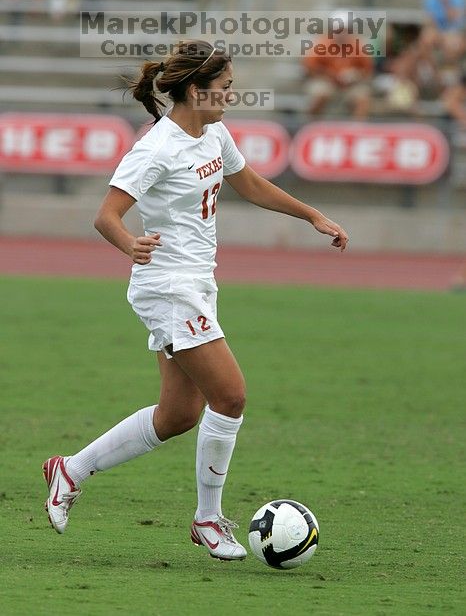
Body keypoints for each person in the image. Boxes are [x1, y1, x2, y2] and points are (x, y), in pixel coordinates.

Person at [42, 40, 349, 562]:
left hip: (198, 283)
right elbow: (106, 216)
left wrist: (311, 215)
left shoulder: (213, 133)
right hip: (167, 287)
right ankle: (208, 519)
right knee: (230, 396)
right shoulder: (157, 147)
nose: (232, 96)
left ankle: (71, 469)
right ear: (194, 90)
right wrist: (129, 244)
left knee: (179, 414)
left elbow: (248, 183)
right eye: (224, 88)